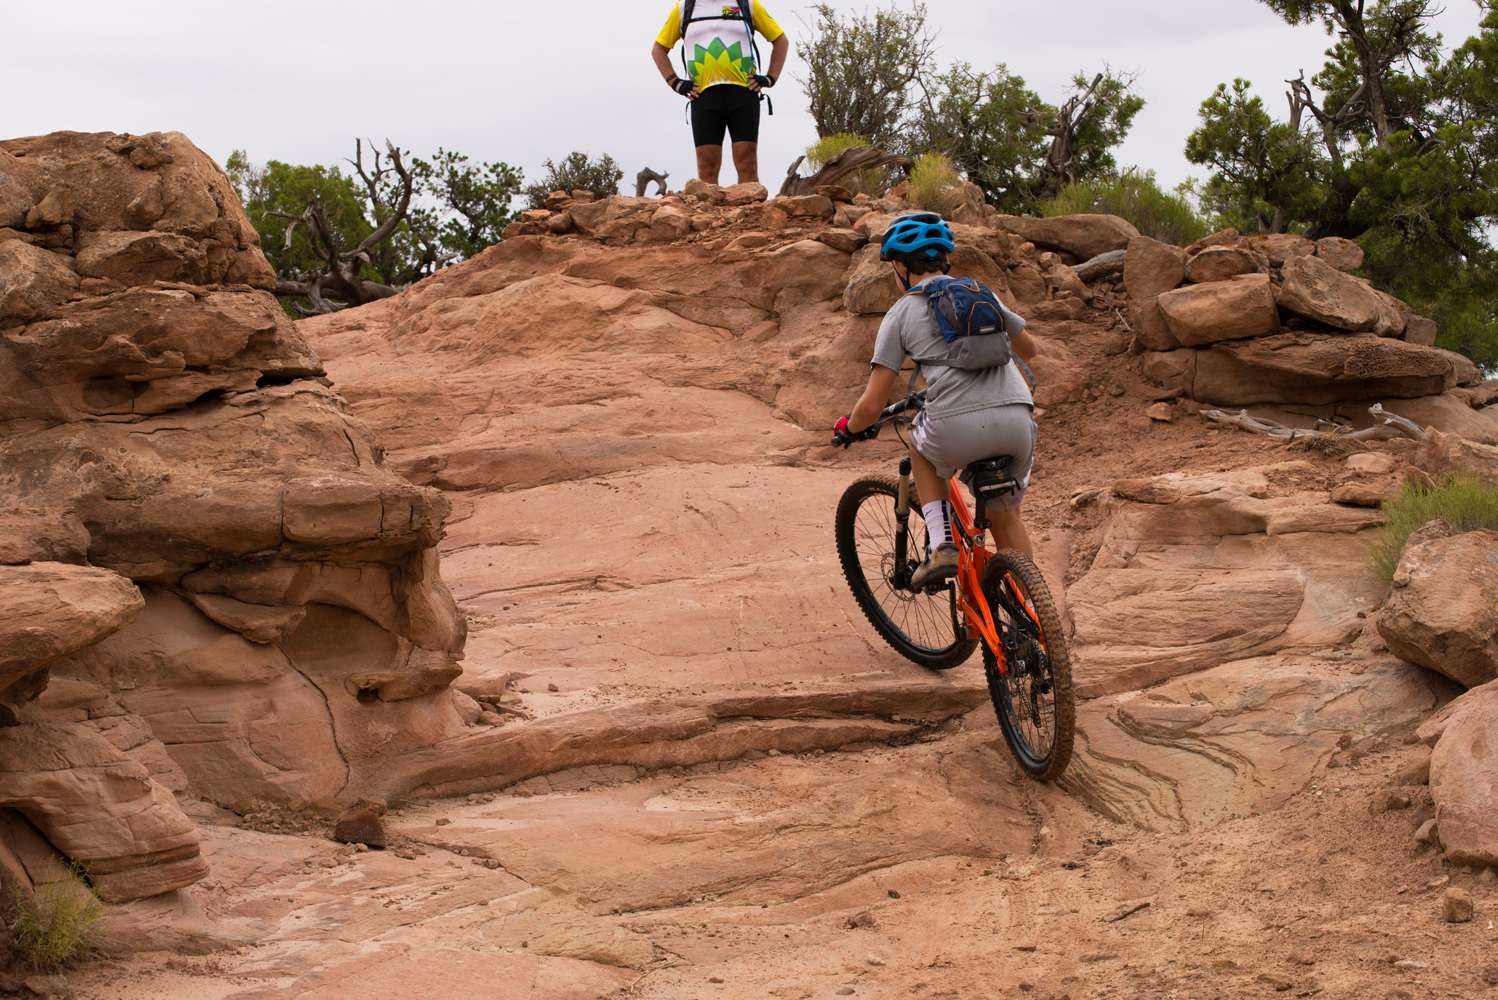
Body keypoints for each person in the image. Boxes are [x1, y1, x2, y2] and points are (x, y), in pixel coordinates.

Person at [836, 212, 1041, 590]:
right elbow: (1029, 349)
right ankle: (1033, 616)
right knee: (1007, 519)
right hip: (1018, 421)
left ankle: (943, 544)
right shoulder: (982, 294)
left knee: (919, 442)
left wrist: (849, 428)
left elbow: (871, 405)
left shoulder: (899, 314)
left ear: (899, 266)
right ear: (946, 261)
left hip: (955, 427)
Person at [651, 1, 789, 186]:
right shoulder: (685, 7)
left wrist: (771, 77)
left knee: (747, 164)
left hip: (743, 94)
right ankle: (708, 214)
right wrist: (675, 82)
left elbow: (780, 39)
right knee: (706, 168)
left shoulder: (747, 3)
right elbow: (658, 49)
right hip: (703, 96)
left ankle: (750, 213)